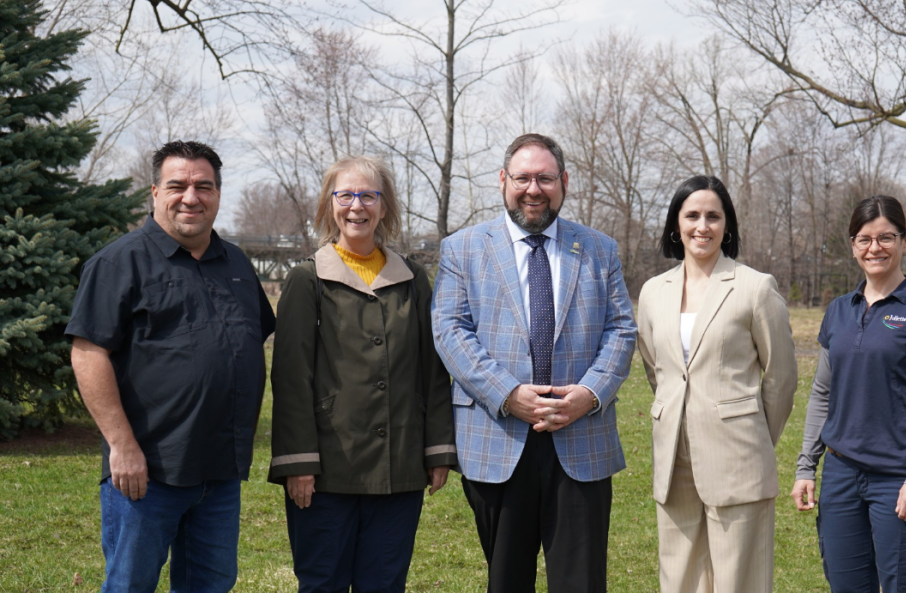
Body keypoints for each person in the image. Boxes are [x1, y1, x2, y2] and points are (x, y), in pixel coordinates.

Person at [66, 140, 276, 592]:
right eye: (178, 185)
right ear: (155, 192)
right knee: (130, 585)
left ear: (218, 194)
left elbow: (247, 340)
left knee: (211, 585)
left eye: (204, 186)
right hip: (146, 472)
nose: (191, 196)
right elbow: (88, 352)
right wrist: (122, 446)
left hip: (219, 471)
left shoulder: (236, 263)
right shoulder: (119, 262)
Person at [432, 133, 637, 593]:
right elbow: (450, 330)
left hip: (580, 440)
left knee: (582, 583)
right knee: (507, 581)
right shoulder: (462, 249)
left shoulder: (599, 249)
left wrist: (589, 395)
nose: (533, 189)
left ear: (563, 182)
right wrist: (507, 393)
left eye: (545, 178)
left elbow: (622, 330)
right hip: (497, 438)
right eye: (522, 178)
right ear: (503, 181)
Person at [268, 155, 457, 593]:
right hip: (326, 474)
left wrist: (438, 449)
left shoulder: (413, 279)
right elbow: (291, 380)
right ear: (329, 205)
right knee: (322, 584)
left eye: (368, 195)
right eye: (345, 195)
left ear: (384, 206)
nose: (357, 206)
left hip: (399, 470)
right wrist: (298, 463)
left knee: (385, 584)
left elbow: (433, 371)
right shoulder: (306, 279)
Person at [636, 175, 798, 593]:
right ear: (676, 224)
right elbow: (657, 370)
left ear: (728, 225)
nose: (702, 226)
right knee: (679, 580)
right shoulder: (654, 292)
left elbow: (781, 377)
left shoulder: (755, 287)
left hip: (739, 456)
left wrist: (755, 435)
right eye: (692, 215)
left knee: (738, 582)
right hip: (674, 458)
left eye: (713, 216)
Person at [791, 195, 906, 593]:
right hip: (841, 476)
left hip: (899, 479)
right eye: (864, 239)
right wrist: (805, 467)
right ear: (853, 246)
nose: (874, 248)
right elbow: (821, 393)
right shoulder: (838, 311)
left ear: (905, 241)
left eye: (886, 237)